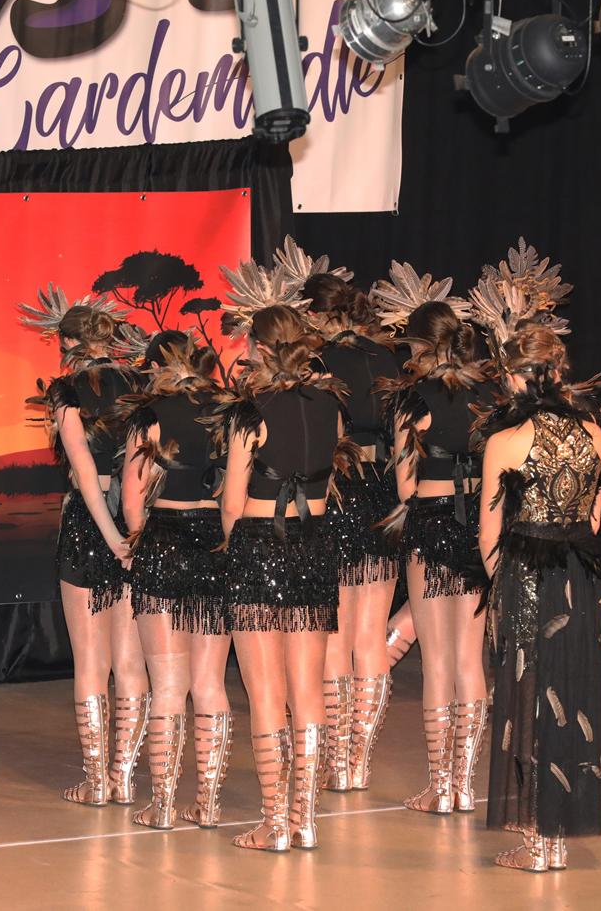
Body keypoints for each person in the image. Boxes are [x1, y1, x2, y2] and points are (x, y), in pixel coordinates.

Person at [216, 245, 344, 852]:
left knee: (266, 693)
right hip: (314, 545)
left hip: (259, 547)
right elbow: (330, 479)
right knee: (307, 689)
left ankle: (275, 822)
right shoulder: (331, 405)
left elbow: (232, 501)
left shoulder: (249, 412)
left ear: (262, 349)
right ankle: (306, 818)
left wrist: (230, 545)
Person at [478, 321, 601, 872]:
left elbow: (489, 535)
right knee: (572, 695)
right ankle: (556, 837)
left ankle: (537, 844)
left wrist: (503, 589)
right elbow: (594, 520)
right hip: (579, 574)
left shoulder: (504, 441)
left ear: (514, 377)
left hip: (527, 575)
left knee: (528, 698)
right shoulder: (595, 434)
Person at [372, 260, 498, 818]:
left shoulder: (412, 398)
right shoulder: (488, 392)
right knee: (470, 658)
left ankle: (439, 787)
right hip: (476, 527)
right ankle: (465, 785)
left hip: (429, 523)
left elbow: (405, 484)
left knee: (438, 661)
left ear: (420, 346)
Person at [21, 287, 150, 807]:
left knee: (92, 663)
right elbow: (143, 469)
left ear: (67, 344)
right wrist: (131, 534)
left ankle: (97, 782)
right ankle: (123, 778)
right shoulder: (140, 384)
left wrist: (112, 539)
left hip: (90, 526)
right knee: (131, 663)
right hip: (137, 523)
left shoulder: (65, 391)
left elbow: (84, 472)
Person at [117, 333, 234, 829]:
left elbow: (132, 498)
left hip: (163, 539)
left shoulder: (150, 416)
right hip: (214, 543)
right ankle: (207, 804)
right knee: (209, 684)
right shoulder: (228, 411)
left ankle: (162, 806)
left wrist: (138, 543)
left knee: (167, 685)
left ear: (155, 368)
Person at [302, 268, 403, 793]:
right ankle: (359, 760)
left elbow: (327, 437)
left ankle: (337, 760)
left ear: (314, 314)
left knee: (336, 635)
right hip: (384, 491)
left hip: (340, 489)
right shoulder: (386, 356)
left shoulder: (320, 360)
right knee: (371, 634)